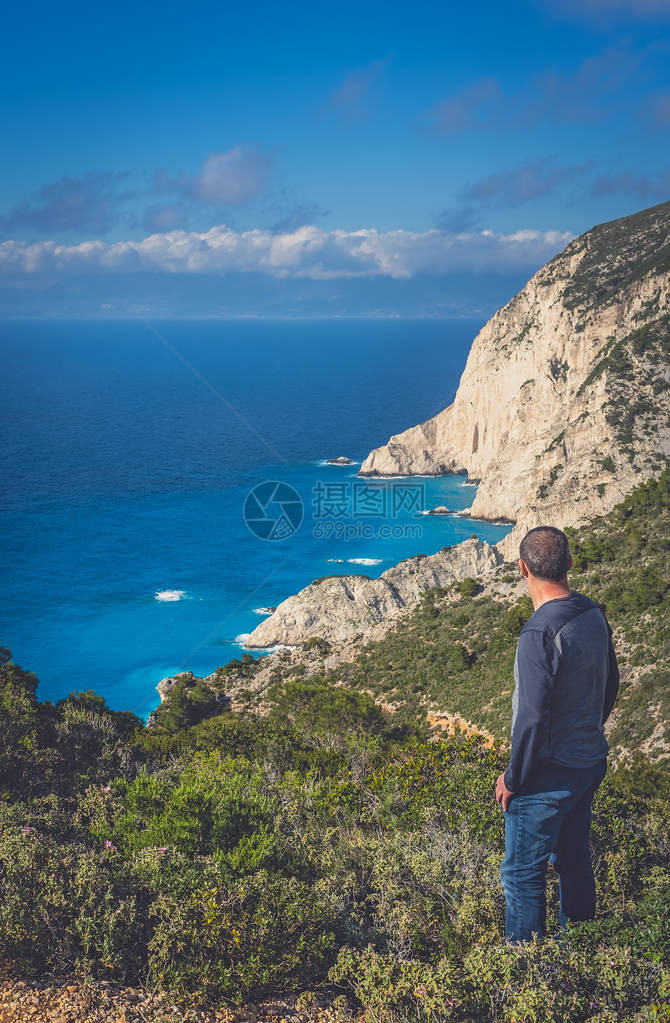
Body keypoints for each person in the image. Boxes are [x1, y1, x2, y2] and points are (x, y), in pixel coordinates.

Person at [494, 525, 619, 943]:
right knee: (573, 860)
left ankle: (530, 979)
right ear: (569, 563)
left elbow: (530, 718)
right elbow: (611, 685)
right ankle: (583, 952)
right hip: (588, 761)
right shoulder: (592, 613)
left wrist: (514, 779)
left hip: (547, 776)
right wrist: (588, 729)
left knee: (521, 874)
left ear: (522, 569)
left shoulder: (538, 634)